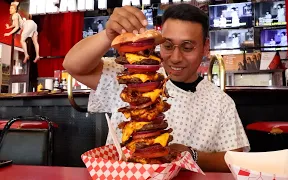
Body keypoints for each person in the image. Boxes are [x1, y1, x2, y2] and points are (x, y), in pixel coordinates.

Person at [63, 4, 249, 172]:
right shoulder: (131, 76)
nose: (175, 57)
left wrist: (190, 155)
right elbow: (73, 65)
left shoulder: (220, 102)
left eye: (187, 47)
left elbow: (237, 160)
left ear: (205, 47)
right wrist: (107, 35)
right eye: (168, 45)